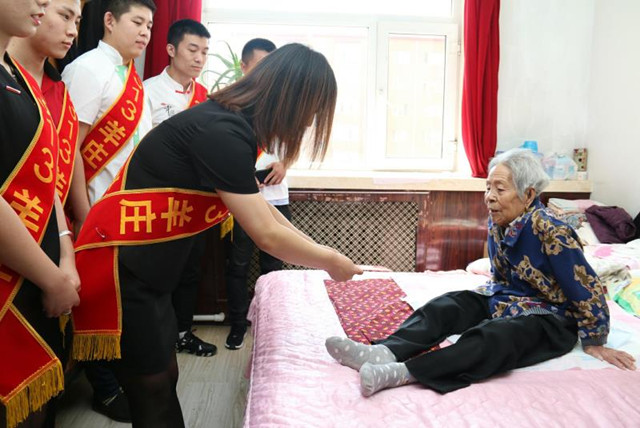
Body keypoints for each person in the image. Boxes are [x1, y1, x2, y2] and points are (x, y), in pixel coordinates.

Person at [72, 43, 363, 427]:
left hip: (146, 269)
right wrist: (329, 262)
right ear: (291, 98)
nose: (309, 122)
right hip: (118, 267)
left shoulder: (232, 125)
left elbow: (268, 214)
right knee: (151, 385)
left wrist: (323, 252)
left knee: (163, 376)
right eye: (311, 110)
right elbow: (266, 235)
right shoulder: (222, 131)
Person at [325, 148, 637, 397]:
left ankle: (405, 373)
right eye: (488, 187)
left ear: (528, 195)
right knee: (449, 304)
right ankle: (383, 352)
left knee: (495, 336)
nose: (489, 196)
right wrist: (486, 303)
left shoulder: (553, 231)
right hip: (507, 299)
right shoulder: (498, 222)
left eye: (499, 189)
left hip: (550, 318)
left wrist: (595, 339)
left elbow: (586, 286)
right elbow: (499, 276)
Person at [61, 0, 156, 422]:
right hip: (95, 213)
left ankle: (119, 380)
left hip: (128, 213)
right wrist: (83, 213)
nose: (145, 32)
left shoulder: (131, 77)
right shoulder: (87, 69)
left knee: (120, 301)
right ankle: (104, 388)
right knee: (96, 299)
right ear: (110, 20)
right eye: (137, 22)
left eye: (150, 25)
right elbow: (71, 150)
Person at [0, 1, 81, 427]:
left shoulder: (18, 78)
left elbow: (46, 182)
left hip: (37, 272)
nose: (39, 5)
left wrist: (64, 256)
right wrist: (52, 277)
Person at [143, 19, 216, 357]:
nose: (199, 58)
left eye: (204, 52)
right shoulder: (147, 92)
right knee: (159, 272)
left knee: (190, 271)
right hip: (158, 199)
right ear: (171, 49)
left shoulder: (206, 98)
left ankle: (183, 333)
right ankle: (156, 340)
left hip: (196, 200)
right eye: (192, 49)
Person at [225, 37, 293, 351]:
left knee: (274, 267)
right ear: (244, 66)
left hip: (276, 197)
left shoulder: (284, 101)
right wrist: (242, 174)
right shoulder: (233, 102)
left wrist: (285, 162)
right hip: (241, 198)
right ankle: (238, 325)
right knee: (238, 266)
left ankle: (271, 326)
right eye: (261, 64)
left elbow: (296, 141)